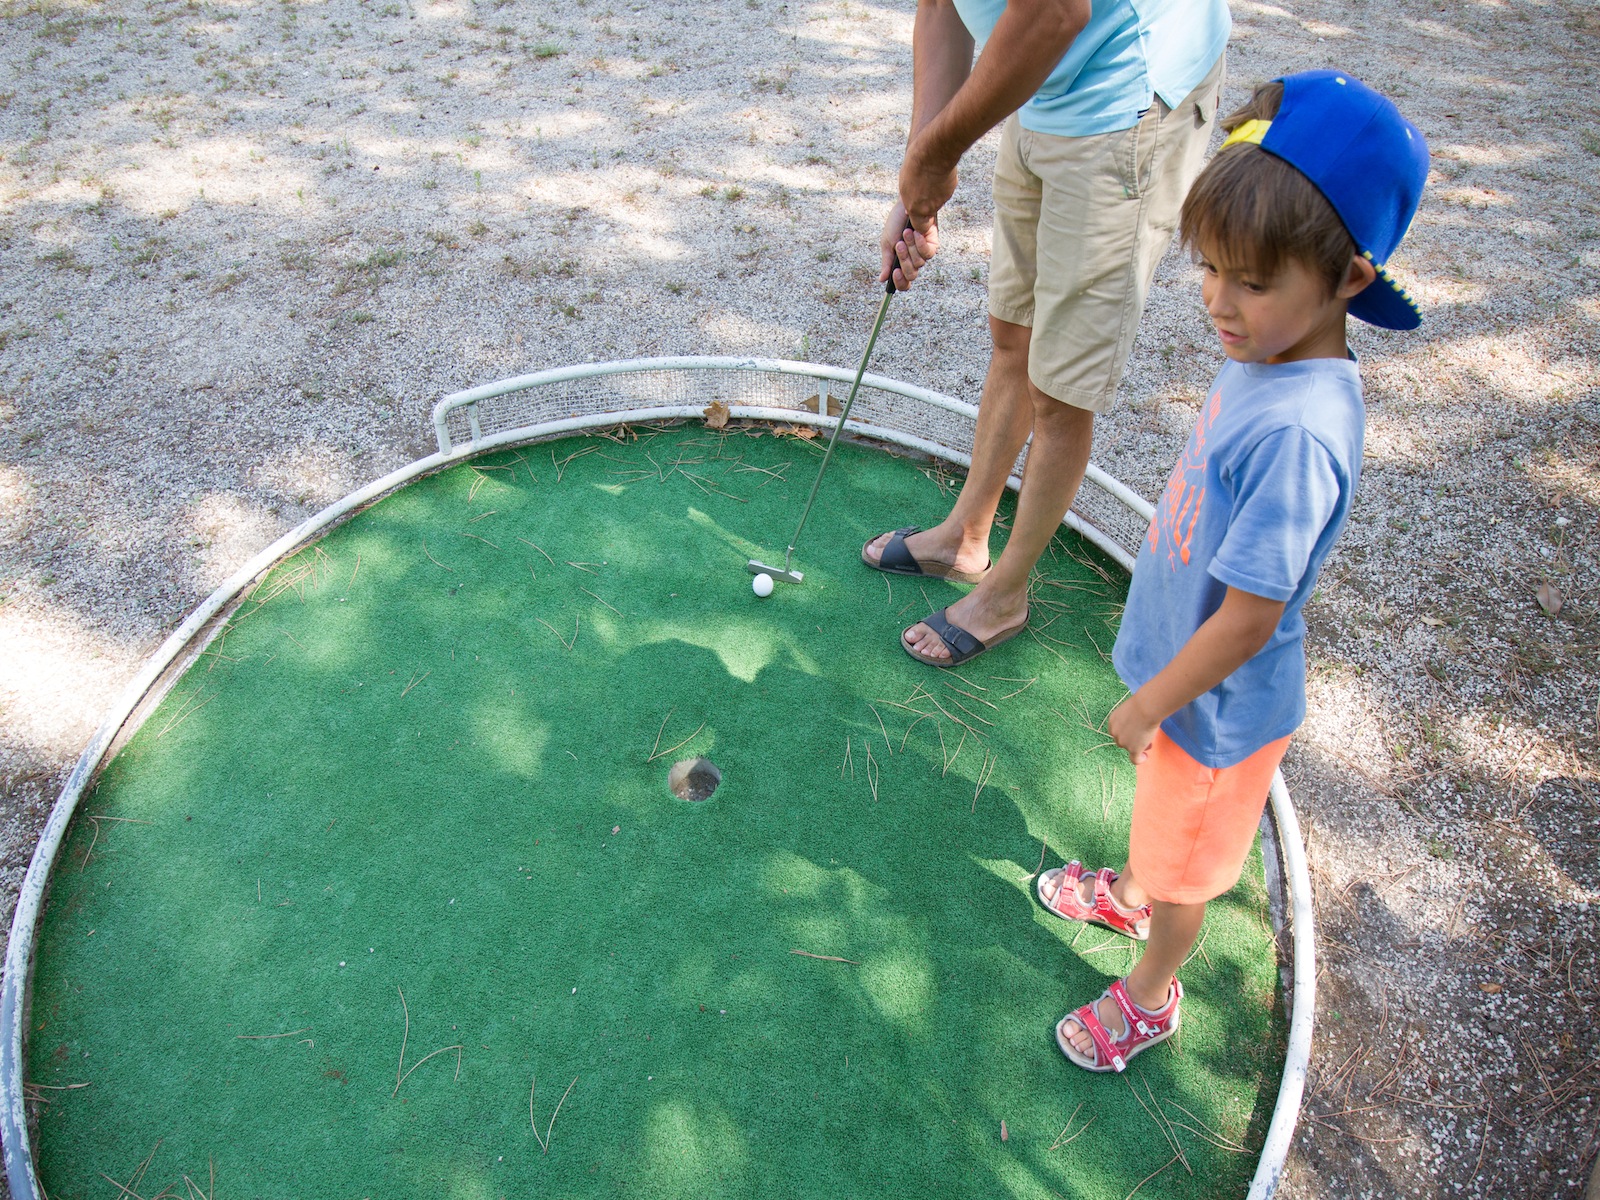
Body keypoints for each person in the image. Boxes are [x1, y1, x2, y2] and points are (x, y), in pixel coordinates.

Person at [1036, 70, 1430, 1072]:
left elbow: (1250, 617)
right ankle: (1128, 897)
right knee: (1155, 842)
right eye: (1208, 269)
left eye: (1250, 281)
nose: (1218, 301)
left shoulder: (1304, 430)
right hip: (1186, 687)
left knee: (1185, 872)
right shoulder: (1268, 351)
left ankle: (1149, 992)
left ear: (1347, 278)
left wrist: (1151, 701)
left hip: (1216, 713)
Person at [864, 0, 1229, 667]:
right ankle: (965, 537)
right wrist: (917, 176)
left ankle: (1005, 595)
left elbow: (1055, 11)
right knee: (1013, 334)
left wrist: (936, 156)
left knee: (1061, 385)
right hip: (1042, 88)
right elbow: (942, 7)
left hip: (1129, 104)